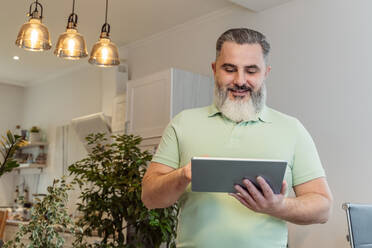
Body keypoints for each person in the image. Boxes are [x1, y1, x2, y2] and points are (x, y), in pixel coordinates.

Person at [141, 28, 333, 248]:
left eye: (251, 71)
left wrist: (276, 206)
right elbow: (150, 197)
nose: (240, 81)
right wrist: (182, 175)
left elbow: (323, 207)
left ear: (266, 73)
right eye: (230, 69)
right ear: (214, 70)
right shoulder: (182, 123)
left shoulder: (292, 129)